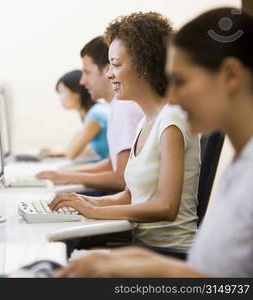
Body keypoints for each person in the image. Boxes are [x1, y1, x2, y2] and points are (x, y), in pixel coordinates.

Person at [57, 7, 253, 277]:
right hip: (162, 254)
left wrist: (160, 268)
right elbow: (217, 271)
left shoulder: (173, 120)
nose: (171, 96)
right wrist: (151, 262)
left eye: (181, 81)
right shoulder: (241, 166)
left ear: (231, 76)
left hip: (167, 251)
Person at [49, 12, 201, 251]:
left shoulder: (172, 118)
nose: (109, 74)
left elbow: (166, 207)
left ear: (144, 65)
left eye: (116, 65)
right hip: (143, 249)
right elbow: (130, 195)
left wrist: (92, 210)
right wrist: (87, 201)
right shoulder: (145, 121)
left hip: (171, 254)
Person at [37, 36, 143, 192]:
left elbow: (121, 179)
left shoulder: (123, 108)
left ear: (108, 70)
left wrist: (68, 177)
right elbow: (111, 163)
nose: (82, 81)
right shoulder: (115, 106)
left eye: (87, 72)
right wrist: (63, 174)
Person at [41, 70, 110, 160]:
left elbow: (71, 154)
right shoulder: (95, 111)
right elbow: (88, 150)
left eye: (62, 92)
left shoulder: (96, 115)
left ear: (76, 92)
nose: (60, 99)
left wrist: (76, 137)